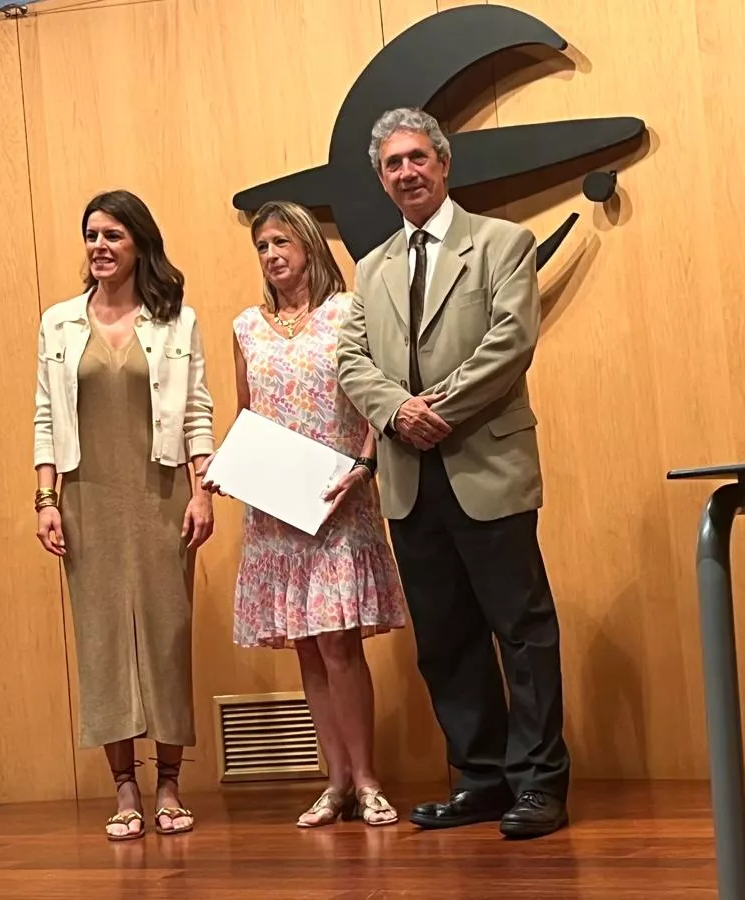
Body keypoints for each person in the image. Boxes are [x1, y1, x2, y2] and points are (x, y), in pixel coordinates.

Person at [335, 107, 571, 838]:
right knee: (445, 637)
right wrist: (397, 413)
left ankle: (539, 783)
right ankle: (481, 779)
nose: (407, 172)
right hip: (410, 478)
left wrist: (433, 408)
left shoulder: (502, 242)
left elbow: (511, 341)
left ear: (443, 163)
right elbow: (350, 360)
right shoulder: (370, 267)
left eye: (418, 158)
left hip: (486, 463)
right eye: (393, 164)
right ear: (381, 180)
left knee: (521, 630)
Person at [205, 200, 408, 828]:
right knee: (308, 649)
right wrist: (228, 467)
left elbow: (377, 399)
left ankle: (367, 779)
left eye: (281, 241)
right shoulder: (246, 326)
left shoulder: (347, 312)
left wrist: (365, 465)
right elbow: (247, 414)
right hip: (276, 510)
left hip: (337, 499)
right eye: (262, 246)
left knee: (339, 642)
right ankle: (336, 781)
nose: (271, 255)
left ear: (309, 245)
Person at [31, 189, 216, 841]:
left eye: (112, 235)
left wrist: (202, 491)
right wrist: (46, 499)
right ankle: (125, 789)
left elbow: (197, 411)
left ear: (139, 243)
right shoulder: (59, 322)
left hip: (161, 494)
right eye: (92, 235)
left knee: (166, 636)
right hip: (87, 497)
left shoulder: (176, 321)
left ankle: (169, 783)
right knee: (103, 638)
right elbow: (45, 415)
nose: (100, 246)